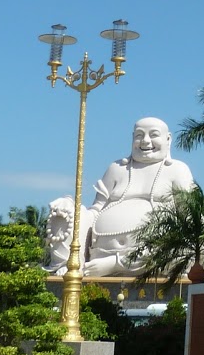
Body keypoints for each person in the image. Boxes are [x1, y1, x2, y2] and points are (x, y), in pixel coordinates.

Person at [81, 119, 195, 278]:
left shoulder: (177, 170)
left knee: (182, 253)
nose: (145, 141)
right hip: (100, 255)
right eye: (139, 135)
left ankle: (115, 264)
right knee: (73, 212)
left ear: (168, 139)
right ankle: (68, 268)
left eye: (153, 135)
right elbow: (96, 209)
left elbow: (188, 215)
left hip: (157, 255)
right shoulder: (117, 168)